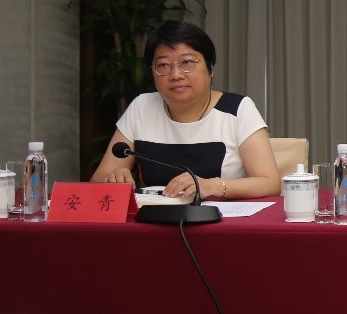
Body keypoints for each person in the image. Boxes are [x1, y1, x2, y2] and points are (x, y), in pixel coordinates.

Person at [90, 20, 281, 199]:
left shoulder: (237, 109)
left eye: (187, 62)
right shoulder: (142, 107)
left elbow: (270, 183)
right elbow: (98, 179)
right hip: (155, 219)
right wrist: (113, 179)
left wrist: (213, 186)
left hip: (221, 219)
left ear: (211, 67)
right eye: (163, 65)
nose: (175, 75)